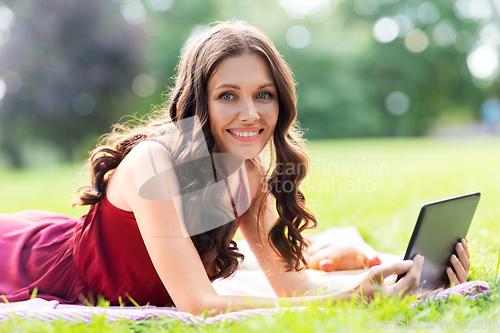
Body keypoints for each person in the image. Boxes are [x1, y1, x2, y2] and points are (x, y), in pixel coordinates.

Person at [0, 21, 470, 315]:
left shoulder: (248, 178)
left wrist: (400, 274)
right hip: (27, 262)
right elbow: (199, 303)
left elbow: (293, 285)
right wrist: (344, 299)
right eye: (228, 95)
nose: (250, 113)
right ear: (198, 101)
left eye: (263, 94)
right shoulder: (155, 162)